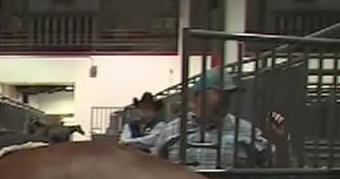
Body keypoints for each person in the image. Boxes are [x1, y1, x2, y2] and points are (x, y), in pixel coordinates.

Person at [123, 68, 288, 169]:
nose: (226, 99)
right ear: (198, 96)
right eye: (219, 93)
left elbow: (279, 169)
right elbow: (155, 170)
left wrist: (280, 143)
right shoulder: (173, 130)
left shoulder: (245, 130)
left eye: (229, 94)